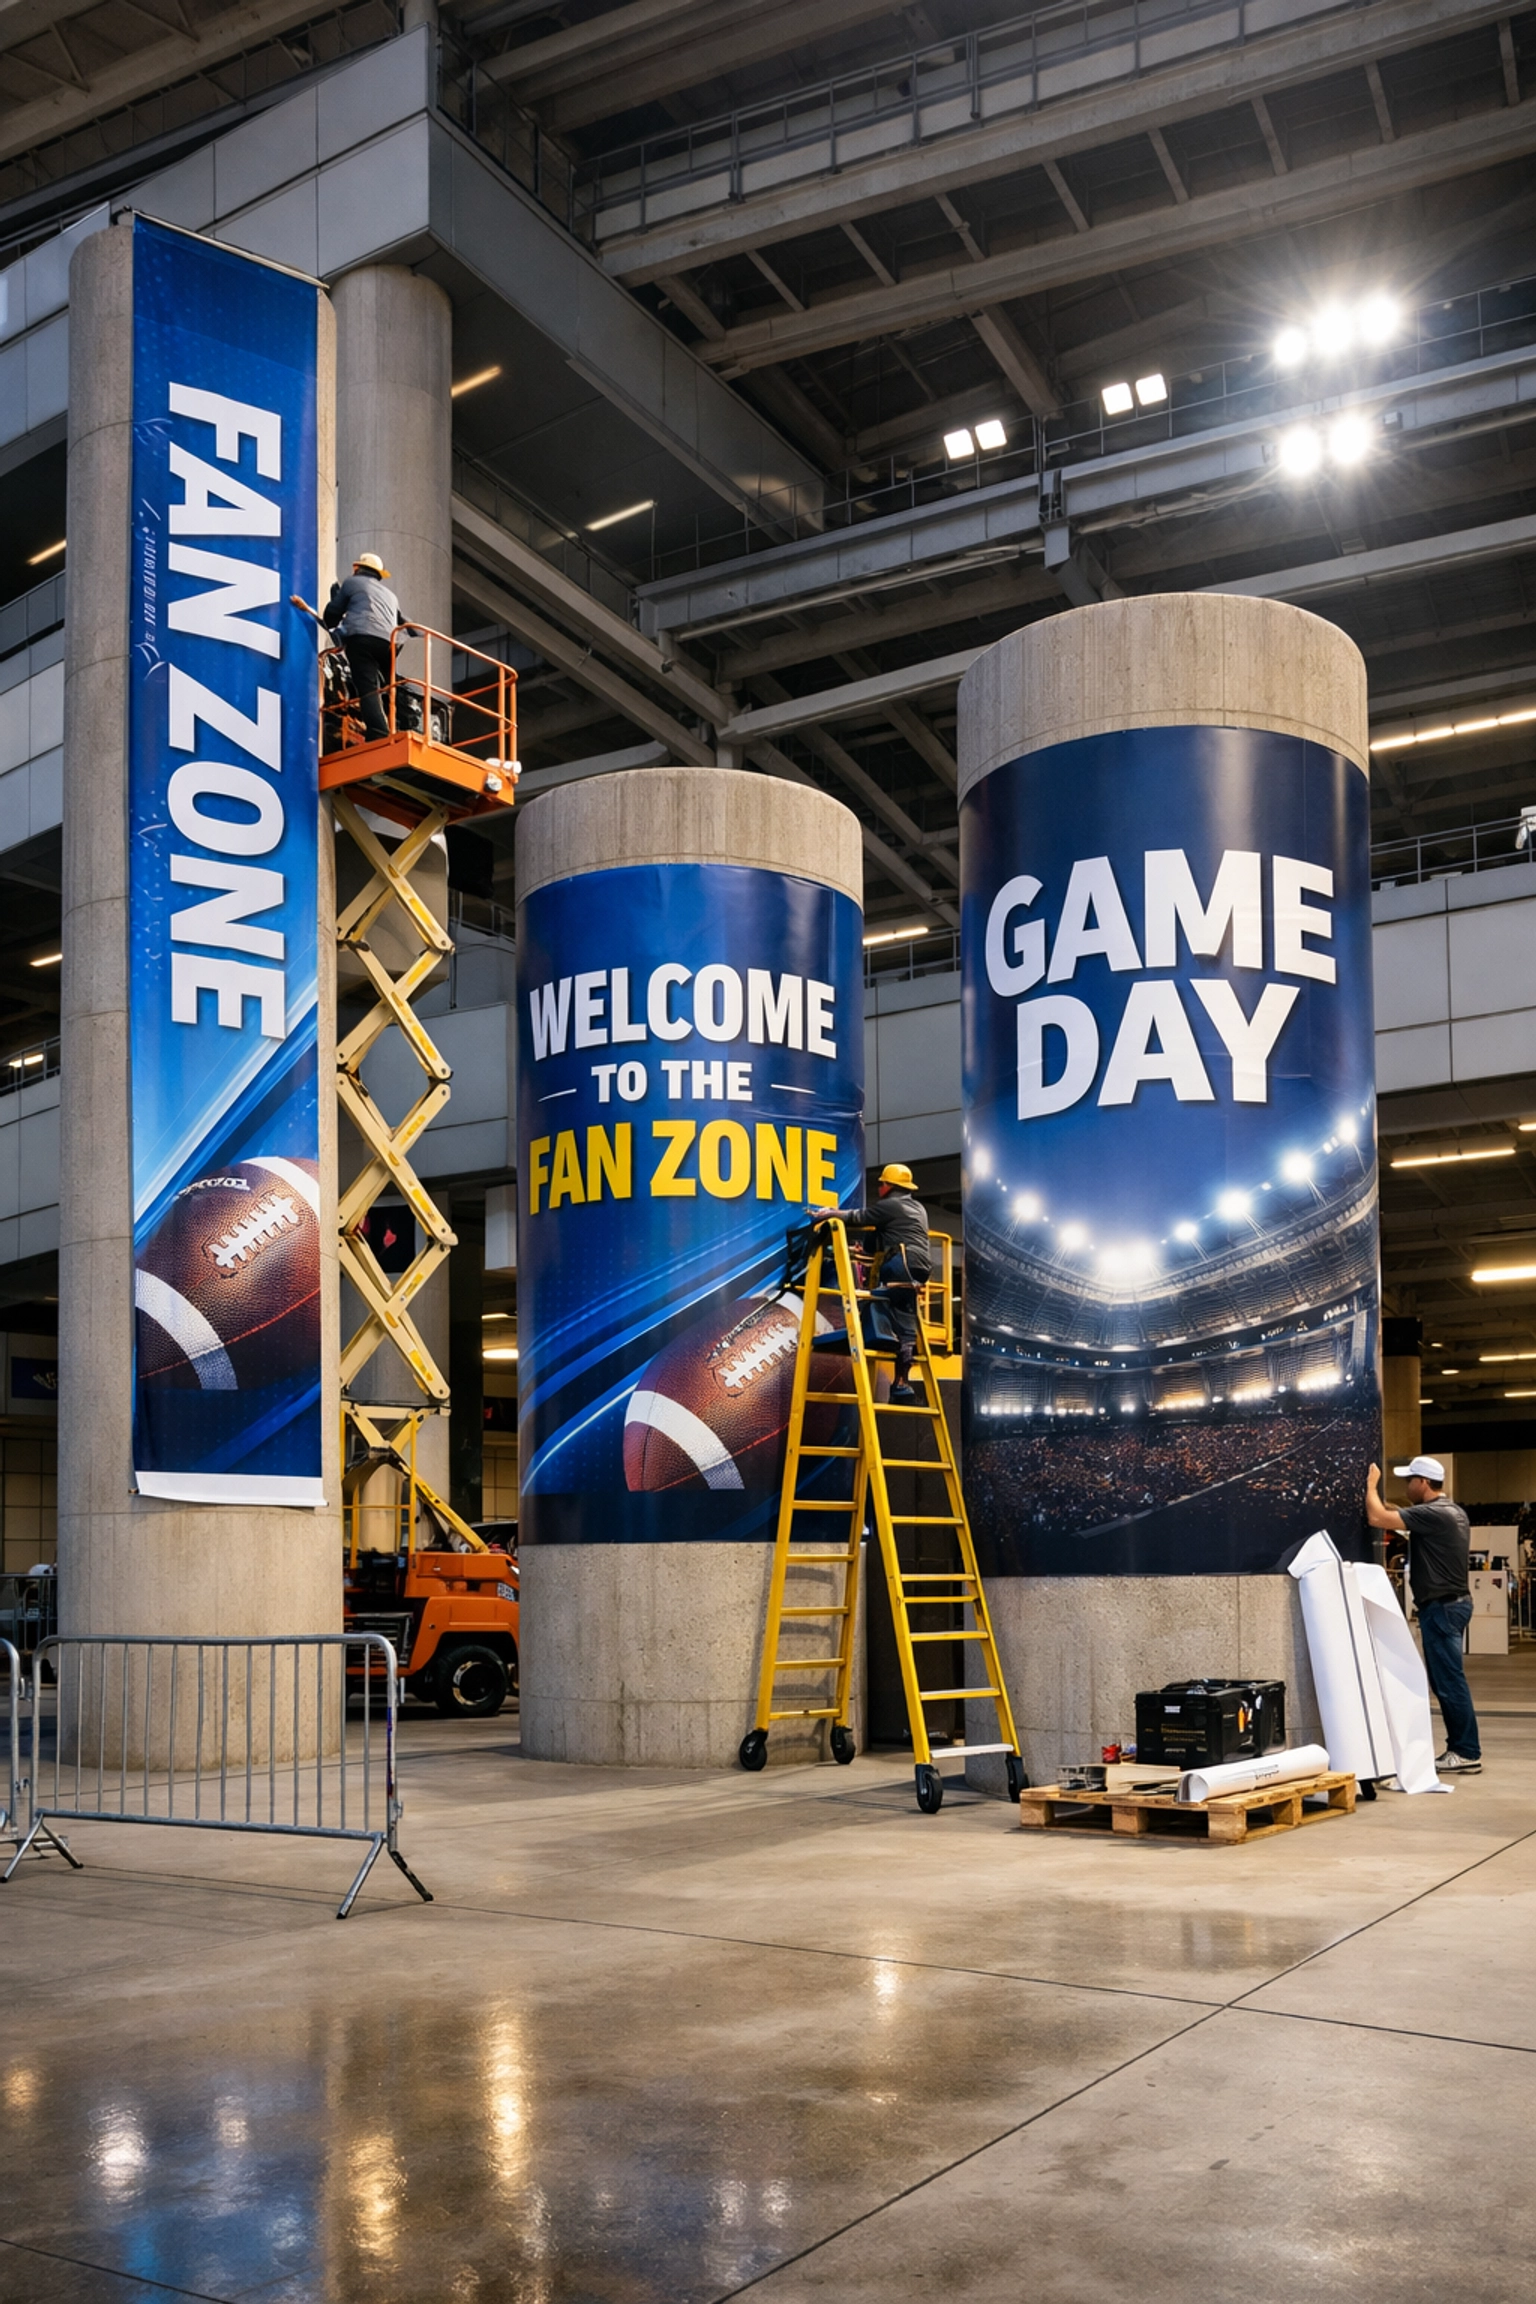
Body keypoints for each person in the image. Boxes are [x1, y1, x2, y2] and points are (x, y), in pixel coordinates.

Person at [1365, 1454, 1481, 1774]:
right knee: (1448, 1680)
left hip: (1442, 1608)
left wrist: (1371, 1486)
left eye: (1410, 1481)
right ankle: (1464, 1748)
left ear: (1424, 1483)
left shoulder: (1434, 1513)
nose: (1407, 1487)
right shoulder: (1450, 1511)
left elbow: (1377, 1518)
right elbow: (1394, 1513)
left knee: (1448, 1682)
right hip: (1450, 1606)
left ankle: (1465, 1750)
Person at [829, 1162, 931, 1401]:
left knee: (871, 1302)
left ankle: (873, 1331)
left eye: (882, 1183)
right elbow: (880, 1234)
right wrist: (866, 1247)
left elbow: (857, 1217)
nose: (879, 1188)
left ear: (890, 1186)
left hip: (900, 1264)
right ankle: (901, 1383)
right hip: (919, 1270)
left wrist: (831, 1213)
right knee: (906, 1325)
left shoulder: (890, 1205)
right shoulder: (918, 1208)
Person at [323, 552, 403, 741]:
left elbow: (333, 612)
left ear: (358, 568)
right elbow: (403, 621)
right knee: (388, 687)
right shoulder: (391, 596)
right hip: (389, 643)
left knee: (368, 687)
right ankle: (396, 725)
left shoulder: (352, 583)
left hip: (363, 640)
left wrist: (329, 625)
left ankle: (378, 733)